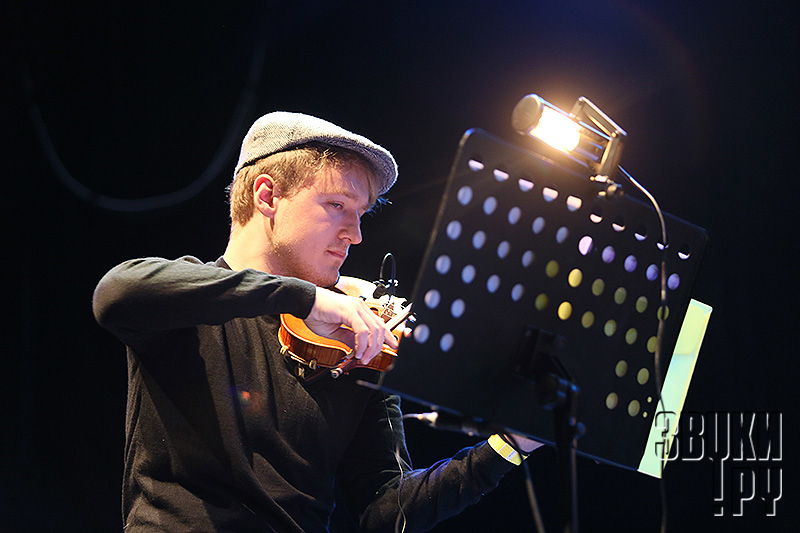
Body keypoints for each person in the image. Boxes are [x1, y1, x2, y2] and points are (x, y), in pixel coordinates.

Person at [93, 111, 542, 532]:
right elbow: (116, 292)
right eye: (336, 206)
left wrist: (508, 445)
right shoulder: (188, 304)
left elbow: (386, 511)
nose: (356, 234)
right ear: (267, 196)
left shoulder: (354, 348)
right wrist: (307, 298)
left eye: (361, 213)